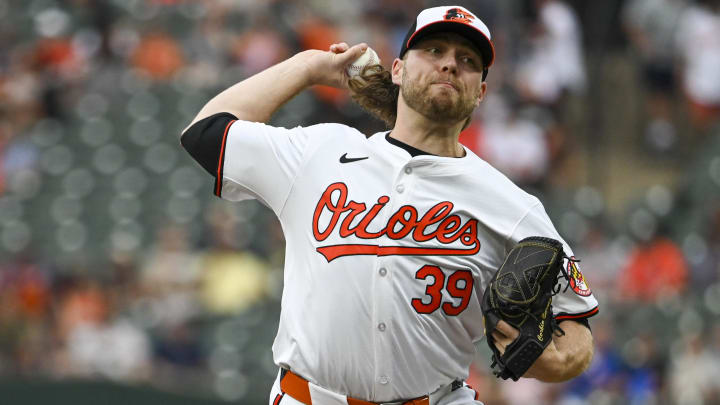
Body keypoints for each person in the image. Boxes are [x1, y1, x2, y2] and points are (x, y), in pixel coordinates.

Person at [180, 5, 598, 405]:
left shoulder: (512, 205)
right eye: (434, 50)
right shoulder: (320, 151)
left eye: (468, 60)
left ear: (481, 93)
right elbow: (205, 132)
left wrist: (555, 360)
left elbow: (576, 329)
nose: (450, 64)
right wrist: (309, 67)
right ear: (397, 70)